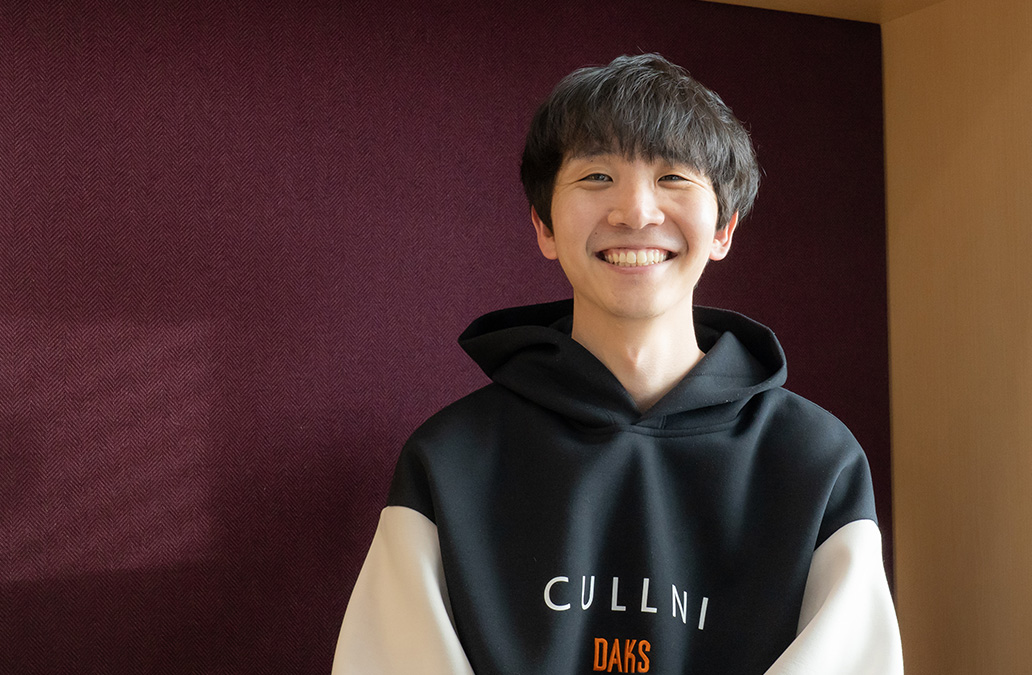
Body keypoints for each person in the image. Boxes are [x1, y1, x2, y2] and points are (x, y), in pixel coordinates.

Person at [331, 53, 902, 674]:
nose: (635, 212)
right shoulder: (449, 459)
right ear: (544, 226)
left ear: (724, 229)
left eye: (673, 177)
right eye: (598, 176)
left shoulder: (816, 461)